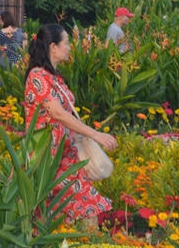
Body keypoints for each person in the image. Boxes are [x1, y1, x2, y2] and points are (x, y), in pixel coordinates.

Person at [23, 23, 118, 229]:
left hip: (64, 154)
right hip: (44, 157)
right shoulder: (37, 76)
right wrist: (96, 135)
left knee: (84, 201)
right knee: (37, 210)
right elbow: (57, 113)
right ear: (53, 47)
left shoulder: (54, 77)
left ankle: (86, 244)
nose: (69, 47)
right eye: (66, 43)